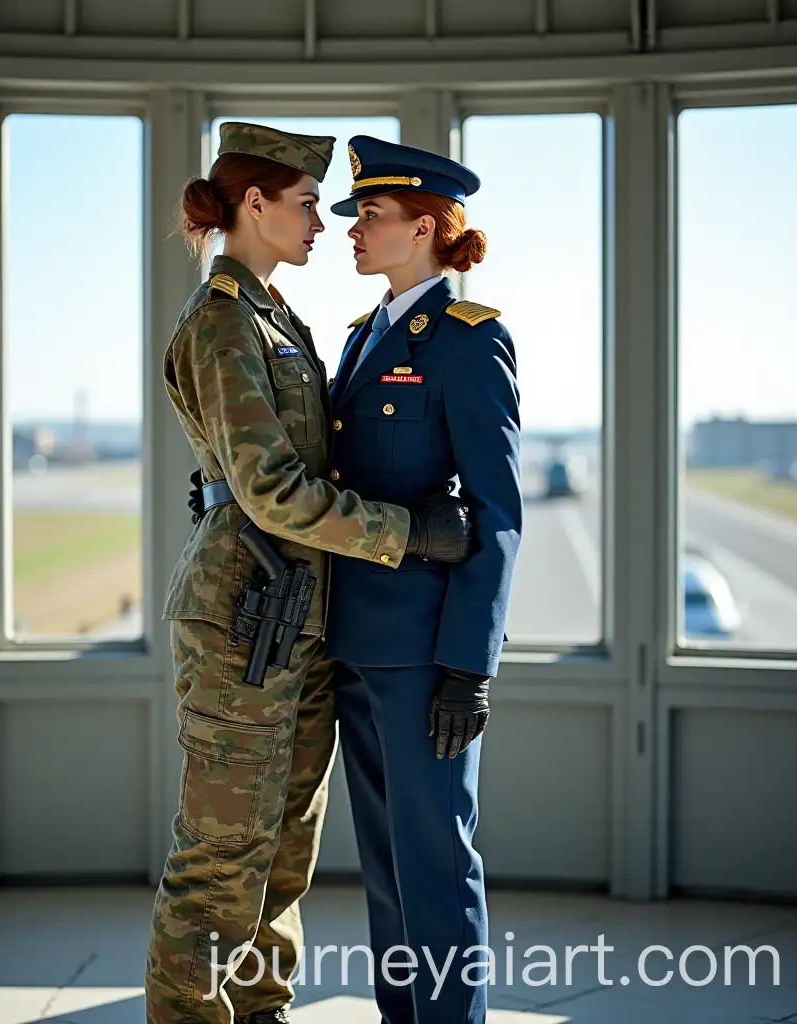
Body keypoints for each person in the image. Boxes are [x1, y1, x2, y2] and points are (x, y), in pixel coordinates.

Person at [145, 122, 474, 1024]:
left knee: (284, 851)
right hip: (242, 612)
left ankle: (258, 1011)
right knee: (221, 859)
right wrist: (407, 533)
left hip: (296, 614)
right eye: (303, 205)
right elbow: (270, 489)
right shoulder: (221, 320)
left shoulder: (274, 316)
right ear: (255, 204)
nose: (322, 225)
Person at [325, 136, 524, 1024]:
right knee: (387, 879)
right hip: (353, 645)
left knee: (437, 873)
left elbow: (498, 515)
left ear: (428, 227)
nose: (353, 232)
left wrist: (469, 668)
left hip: (423, 658)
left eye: (370, 215)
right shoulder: (362, 336)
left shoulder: (469, 343)